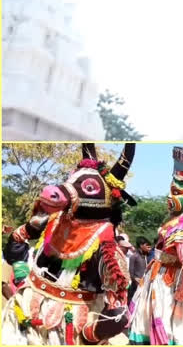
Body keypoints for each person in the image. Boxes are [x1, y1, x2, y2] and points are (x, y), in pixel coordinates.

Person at [2, 143, 137, 345]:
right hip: (26, 310)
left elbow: (118, 315)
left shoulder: (106, 246)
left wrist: (89, 335)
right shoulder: (53, 219)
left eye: (89, 188)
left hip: (70, 327)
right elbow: (16, 242)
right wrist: (21, 273)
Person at [129, 146, 183, 345]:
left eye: (175, 192)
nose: (169, 197)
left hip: (170, 284)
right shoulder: (171, 223)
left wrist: (181, 293)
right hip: (160, 277)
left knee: (169, 323)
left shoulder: (182, 229)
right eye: (170, 191)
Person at [128, 236, 152, 303]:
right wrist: (135, 278)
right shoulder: (134, 257)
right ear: (141, 245)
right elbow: (131, 272)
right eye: (147, 245)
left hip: (145, 283)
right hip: (136, 285)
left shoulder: (147, 256)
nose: (149, 247)